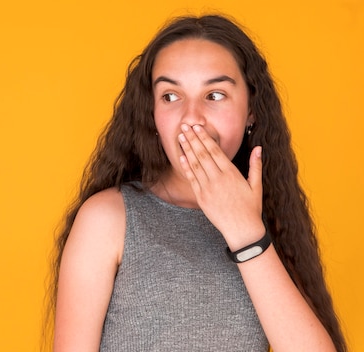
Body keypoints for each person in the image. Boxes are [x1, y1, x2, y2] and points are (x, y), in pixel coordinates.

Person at [47, 14, 347, 352]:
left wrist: (246, 232)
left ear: (252, 111)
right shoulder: (108, 219)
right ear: (152, 114)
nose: (191, 117)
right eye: (171, 96)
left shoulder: (270, 222)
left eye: (215, 95)